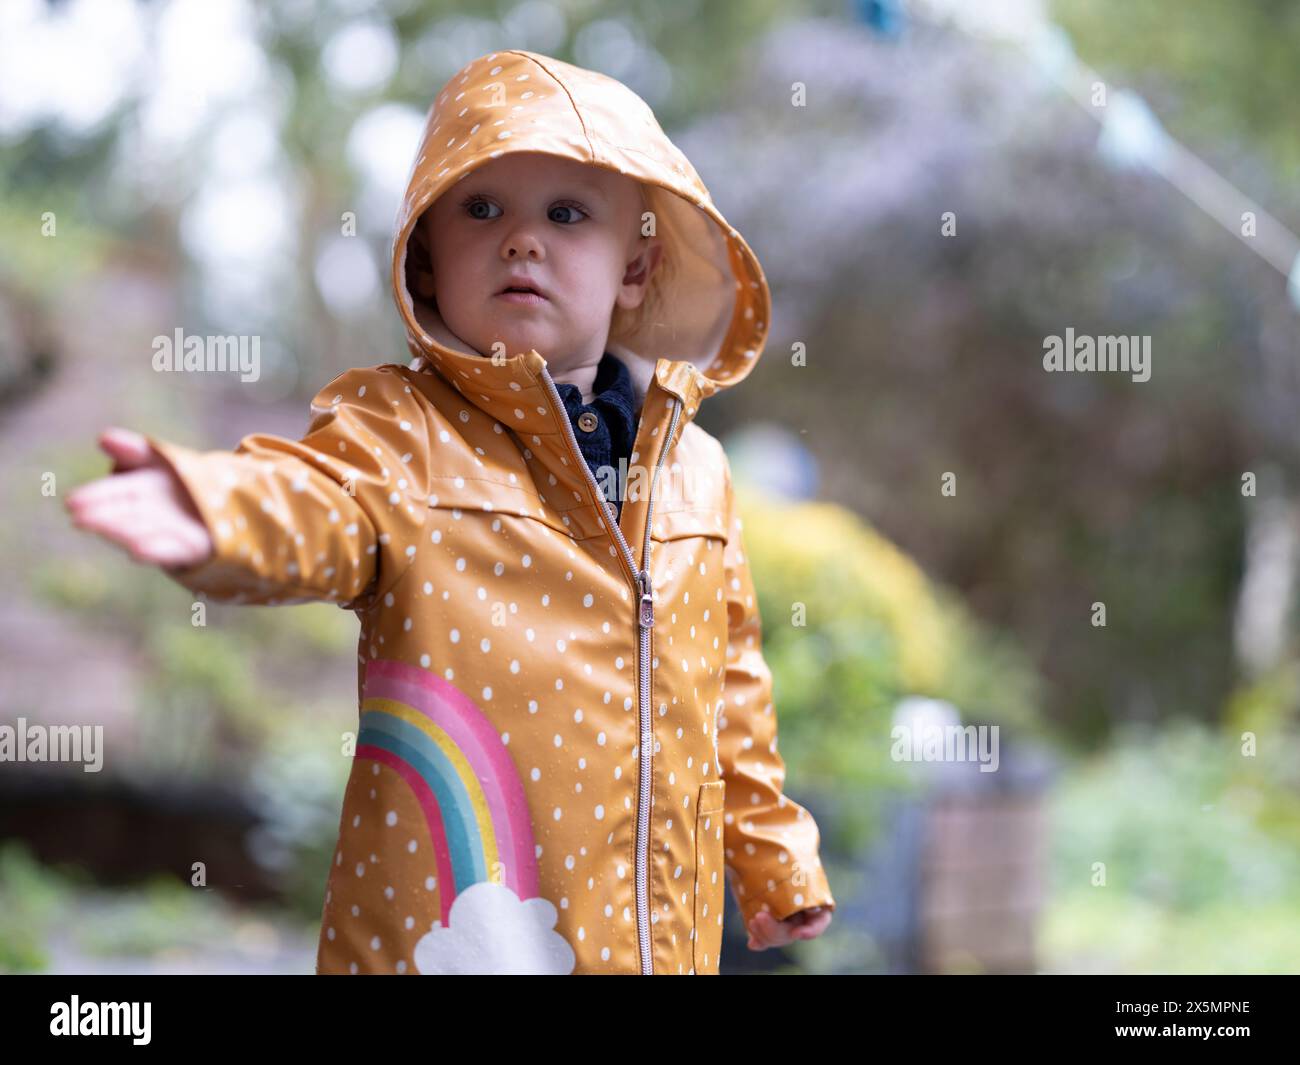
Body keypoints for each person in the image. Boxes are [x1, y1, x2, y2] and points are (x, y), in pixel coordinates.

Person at [65, 49, 835, 974]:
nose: (521, 239)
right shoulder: (403, 432)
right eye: (482, 209)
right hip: (456, 939)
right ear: (427, 260)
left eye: (565, 213)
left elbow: (732, 682)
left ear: (637, 266)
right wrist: (218, 509)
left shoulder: (695, 471)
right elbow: (319, 499)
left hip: (656, 940)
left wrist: (772, 854)